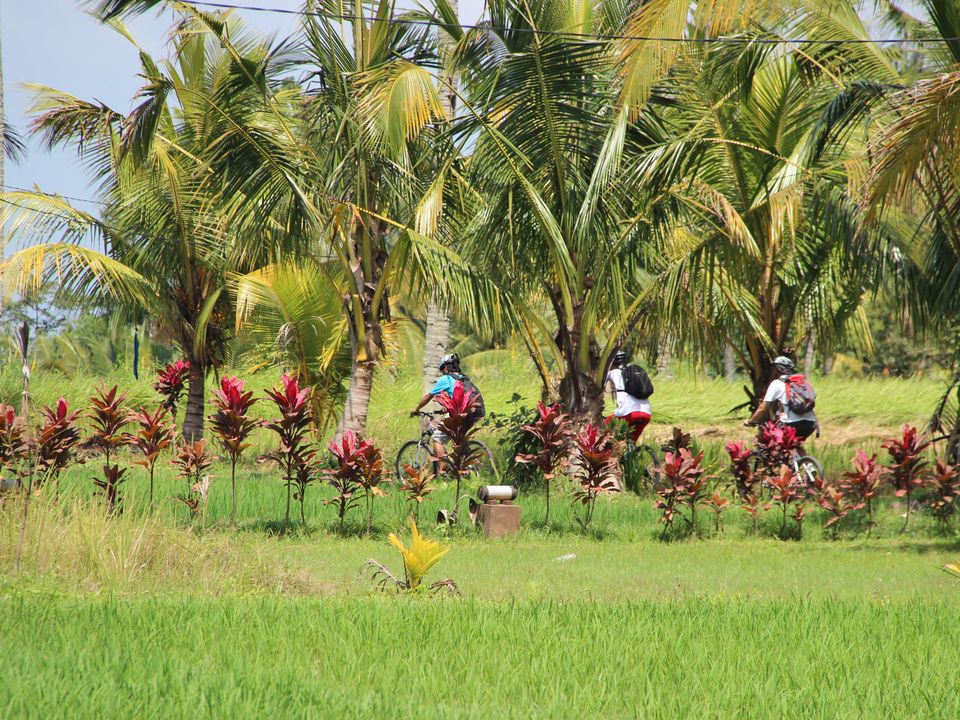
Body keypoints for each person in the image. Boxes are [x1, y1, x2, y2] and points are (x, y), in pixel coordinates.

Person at [744, 355, 818, 439]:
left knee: (773, 444)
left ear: (776, 370)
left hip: (791, 424)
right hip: (810, 424)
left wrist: (751, 421)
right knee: (795, 445)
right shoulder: (802, 383)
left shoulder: (777, 383)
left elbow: (762, 408)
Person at [410, 353, 485, 425]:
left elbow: (428, 397)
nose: (442, 372)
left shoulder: (447, 378)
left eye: (442, 369)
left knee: (437, 435)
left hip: (464, 415)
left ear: (446, 368)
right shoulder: (463, 377)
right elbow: (461, 396)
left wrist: (417, 409)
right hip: (478, 412)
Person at [604, 351, 652, 442]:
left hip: (627, 413)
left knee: (604, 429)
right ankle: (632, 453)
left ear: (611, 362)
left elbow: (598, 386)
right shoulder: (634, 372)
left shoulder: (612, 373)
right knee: (631, 443)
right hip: (646, 413)